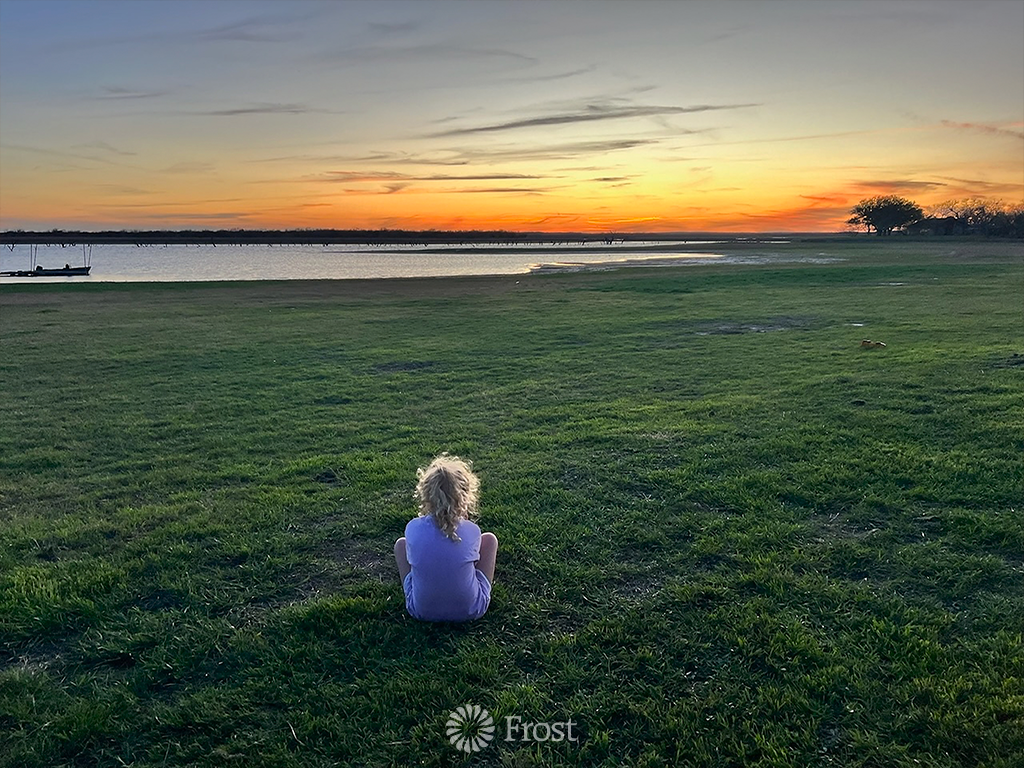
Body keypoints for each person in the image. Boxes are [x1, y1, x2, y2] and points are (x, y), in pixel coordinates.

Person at [394, 454, 498, 622]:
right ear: (465, 496)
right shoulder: (471, 530)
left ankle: (422, 588)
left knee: (401, 545)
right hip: (472, 610)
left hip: (421, 611)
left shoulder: (413, 527)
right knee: (490, 540)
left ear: (425, 495)